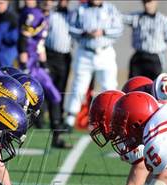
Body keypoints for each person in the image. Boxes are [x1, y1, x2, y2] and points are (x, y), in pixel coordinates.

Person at [64, 0, 122, 130]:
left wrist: (104, 32)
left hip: (105, 51)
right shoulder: (81, 9)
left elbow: (119, 29)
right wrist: (85, 33)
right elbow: (71, 28)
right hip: (85, 52)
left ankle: (111, 119)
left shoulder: (111, 9)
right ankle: (70, 119)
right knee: (79, 86)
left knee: (109, 86)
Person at [18, 0, 69, 148]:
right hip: (28, 62)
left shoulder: (45, 16)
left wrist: (44, 64)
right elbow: (23, 38)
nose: (47, 3)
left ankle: (57, 135)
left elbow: (39, 45)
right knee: (20, 98)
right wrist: (23, 61)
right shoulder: (34, 14)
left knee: (54, 95)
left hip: (35, 62)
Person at [122, 0, 167, 80]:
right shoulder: (137, 17)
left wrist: (161, 52)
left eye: (150, 2)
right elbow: (120, 18)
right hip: (139, 57)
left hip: (155, 58)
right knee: (135, 85)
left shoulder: (163, 20)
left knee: (155, 86)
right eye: (145, 2)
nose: (147, 5)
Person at [45, 0, 72, 132]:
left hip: (65, 57)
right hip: (50, 55)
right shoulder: (51, 15)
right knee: (50, 89)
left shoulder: (73, 15)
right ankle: (50, 120)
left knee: (61, 89)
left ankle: (58, 120)